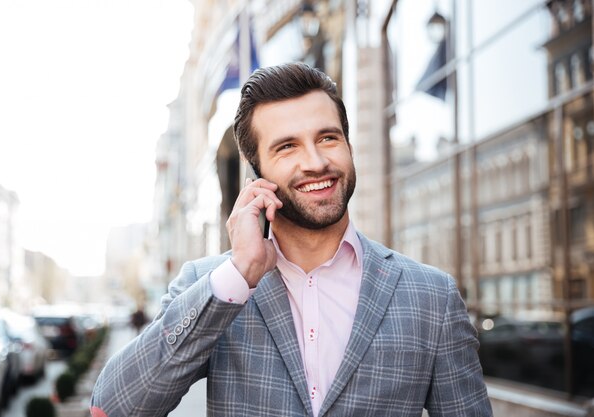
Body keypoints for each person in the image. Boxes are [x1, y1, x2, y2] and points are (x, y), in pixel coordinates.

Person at [90, 62, 492, 417]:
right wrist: (239, 275)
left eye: (328, 138)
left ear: (349, 147)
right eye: (287, 147)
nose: (316, 162)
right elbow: (115, 406)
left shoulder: (431, 297)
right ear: (257, 174)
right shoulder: (211, 285)